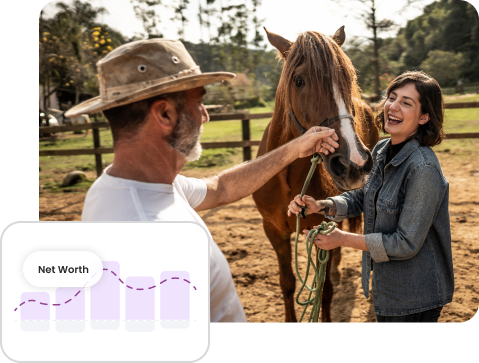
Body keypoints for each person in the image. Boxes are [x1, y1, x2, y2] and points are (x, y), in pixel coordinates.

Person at [65, 38, 340, 323]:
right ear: (165, 113)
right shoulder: (153, 241)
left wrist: (293, 149)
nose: (205, 115)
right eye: (200, 100)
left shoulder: (122, 185)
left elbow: (219, 188)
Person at [288, 71, 454, 323]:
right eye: (392, 97)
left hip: (415, 296)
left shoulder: (423, 169)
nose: (393, 107)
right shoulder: (381, 149)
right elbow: (363, 197)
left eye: (406, 103)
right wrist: (322, 205)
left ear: (424, 117)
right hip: (388, 291)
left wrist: (342, 239)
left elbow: (405, 243)